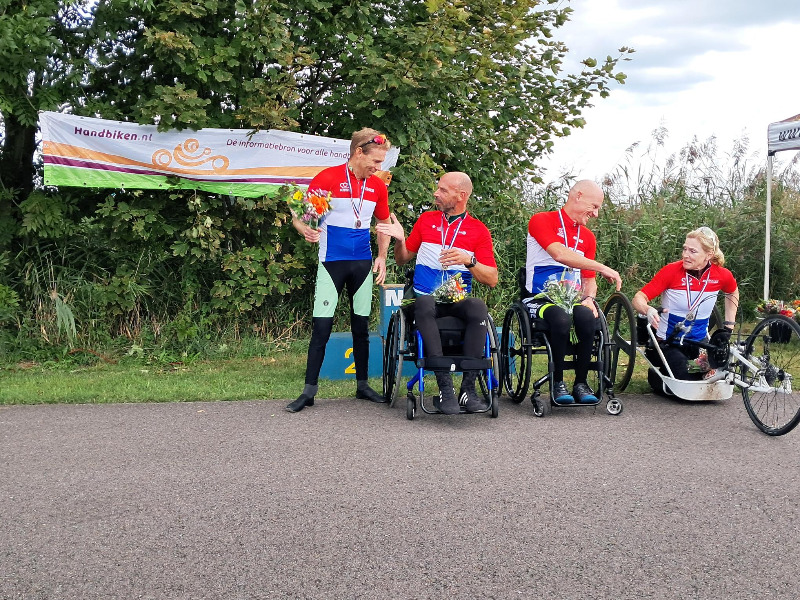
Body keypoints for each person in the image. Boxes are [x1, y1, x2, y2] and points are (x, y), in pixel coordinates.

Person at [286, 128, 392, 413]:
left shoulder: (377, 186)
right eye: (376, 162)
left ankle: (362, 386)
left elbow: (383, 224)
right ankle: (308, 391)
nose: (378, 168)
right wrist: (304, 228)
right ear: (359, 152)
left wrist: (382, 256)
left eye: (381, 163)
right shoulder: (328, 178)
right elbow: (302, 216)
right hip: (331, 263)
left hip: (362, 264)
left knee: (361, 327)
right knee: (321, 328)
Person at [376, 172, 498, 414]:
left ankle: (468, 389)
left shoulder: (478, 230)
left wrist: (469, 260)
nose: (436, 193)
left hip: (455, 299)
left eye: (443, 190)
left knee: (477, 307)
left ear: (461, 196)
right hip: (422, 298)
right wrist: (400, 240)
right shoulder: (426, 220)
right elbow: (402, 260)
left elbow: (492, 279)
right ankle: (445, 388)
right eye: (437, 188)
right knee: (425, 302)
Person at [525, 179, 622, 404]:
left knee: (586, 315)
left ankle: (581, 382)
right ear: (578, 196)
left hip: (573, 298)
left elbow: (588, 279)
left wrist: (589, 298)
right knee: (561, 317)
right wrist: (602, 266)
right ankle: (557, 382)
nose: (596, 214)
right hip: (540, 298)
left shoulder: (587, 237)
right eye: (594, 206)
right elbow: (558, 253)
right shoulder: (542, 220)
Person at [632, 226, 739, 392]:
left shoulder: (721, 275)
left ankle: (696, 371)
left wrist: (728, 326)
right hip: (668, 343)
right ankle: (657, 376)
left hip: (699, 342)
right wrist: (648, 310)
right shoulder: (671, 271)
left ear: (709, 255)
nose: (685, 255)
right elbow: (639, 298)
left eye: (692, 251)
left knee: (723, 369)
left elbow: (732, 291)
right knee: (687, 377)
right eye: (684, 249)